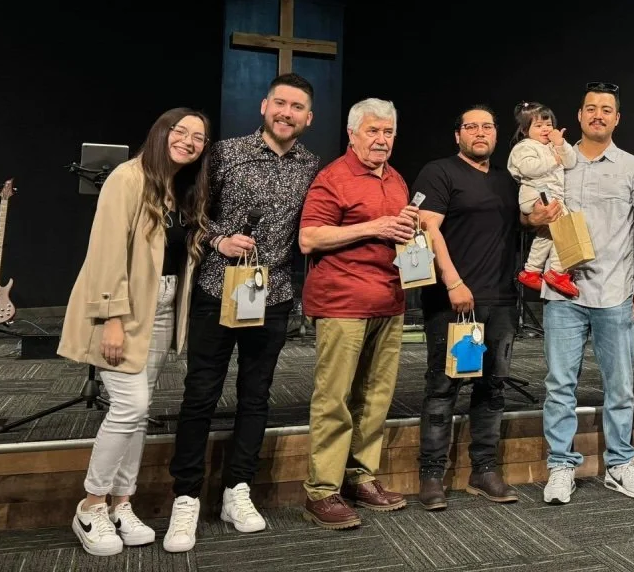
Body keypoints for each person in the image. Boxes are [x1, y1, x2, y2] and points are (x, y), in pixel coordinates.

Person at [164, 74, 320, 553]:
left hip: (271, 297)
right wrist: (218, 240)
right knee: (201, 394)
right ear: (263, 105)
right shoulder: (225, 153)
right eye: (280, 103)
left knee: (256, 395)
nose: (286, 113)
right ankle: (186, 497)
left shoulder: (312, 166)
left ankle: (239, 490)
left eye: (297, 107)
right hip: (217, 289)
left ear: (308, 118)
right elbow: (191, 211)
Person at [58, 108, 210, 557]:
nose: (188, 141)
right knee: (130, 407)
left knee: (138, 415)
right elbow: (105, 251)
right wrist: (112, 318)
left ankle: (122, 503)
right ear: (160, 133)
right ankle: (90, 506)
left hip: (160, 310)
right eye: (180, 131)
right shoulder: (127, 178)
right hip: (123, 312)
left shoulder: (178, 189)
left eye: (198, 137)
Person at [298, 98, 417, 529]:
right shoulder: (334, 177)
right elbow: (309, 237)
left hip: (389, 300)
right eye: (373, 131)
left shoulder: (397, 179)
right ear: (352, 134)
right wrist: (374, 226)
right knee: (335, 398)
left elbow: (396, 232)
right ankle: (321, 490)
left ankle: (360, 476)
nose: (381, 139)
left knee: (375, 398)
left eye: (388, 132)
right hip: (343, 302)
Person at [541, 82, 634, 505]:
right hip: (562, 293)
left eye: (606, 109)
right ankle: (560, 465)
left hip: (615, 293)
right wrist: (535, 216)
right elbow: (532, 218)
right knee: (559, 384)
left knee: (620, 387)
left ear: (617, 118)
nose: (598, 115)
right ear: (578, 116)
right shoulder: (556, 162)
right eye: (590, 108)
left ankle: (619, 465)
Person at [412, 105, 523, 510]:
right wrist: (453, 281)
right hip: (453, 301)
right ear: (456, 134)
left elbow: (518, 225)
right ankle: (431, 474)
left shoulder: (506, 180)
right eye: (471, 126)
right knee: (443, 388)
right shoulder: (439, 172)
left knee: (492, 388)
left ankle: (484, 469)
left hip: (501, 301)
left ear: (496, 135)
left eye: (487, 126)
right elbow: (427, 228)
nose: (480, 132)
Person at [508, 101, 579, 298]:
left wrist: (560, 144)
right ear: (524, 130)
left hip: (549, 195)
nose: (545, 129)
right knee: (565, 226)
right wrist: (554, 160)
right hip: (537, 195)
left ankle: (531, 270)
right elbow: (528, 168)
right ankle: (558, 270)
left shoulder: (551, 146)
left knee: (547, 235)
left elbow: (571, 161)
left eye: (548, 124)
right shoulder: (524, 146)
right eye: (538, 126)